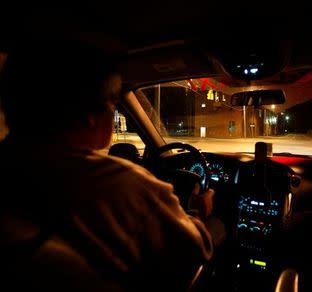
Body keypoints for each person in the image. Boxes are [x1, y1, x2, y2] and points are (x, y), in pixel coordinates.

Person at [0, 39, 214, 291]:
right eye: (113, 109)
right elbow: (195, 252)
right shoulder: (125, 186)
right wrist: (198, 213)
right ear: (91, 115)